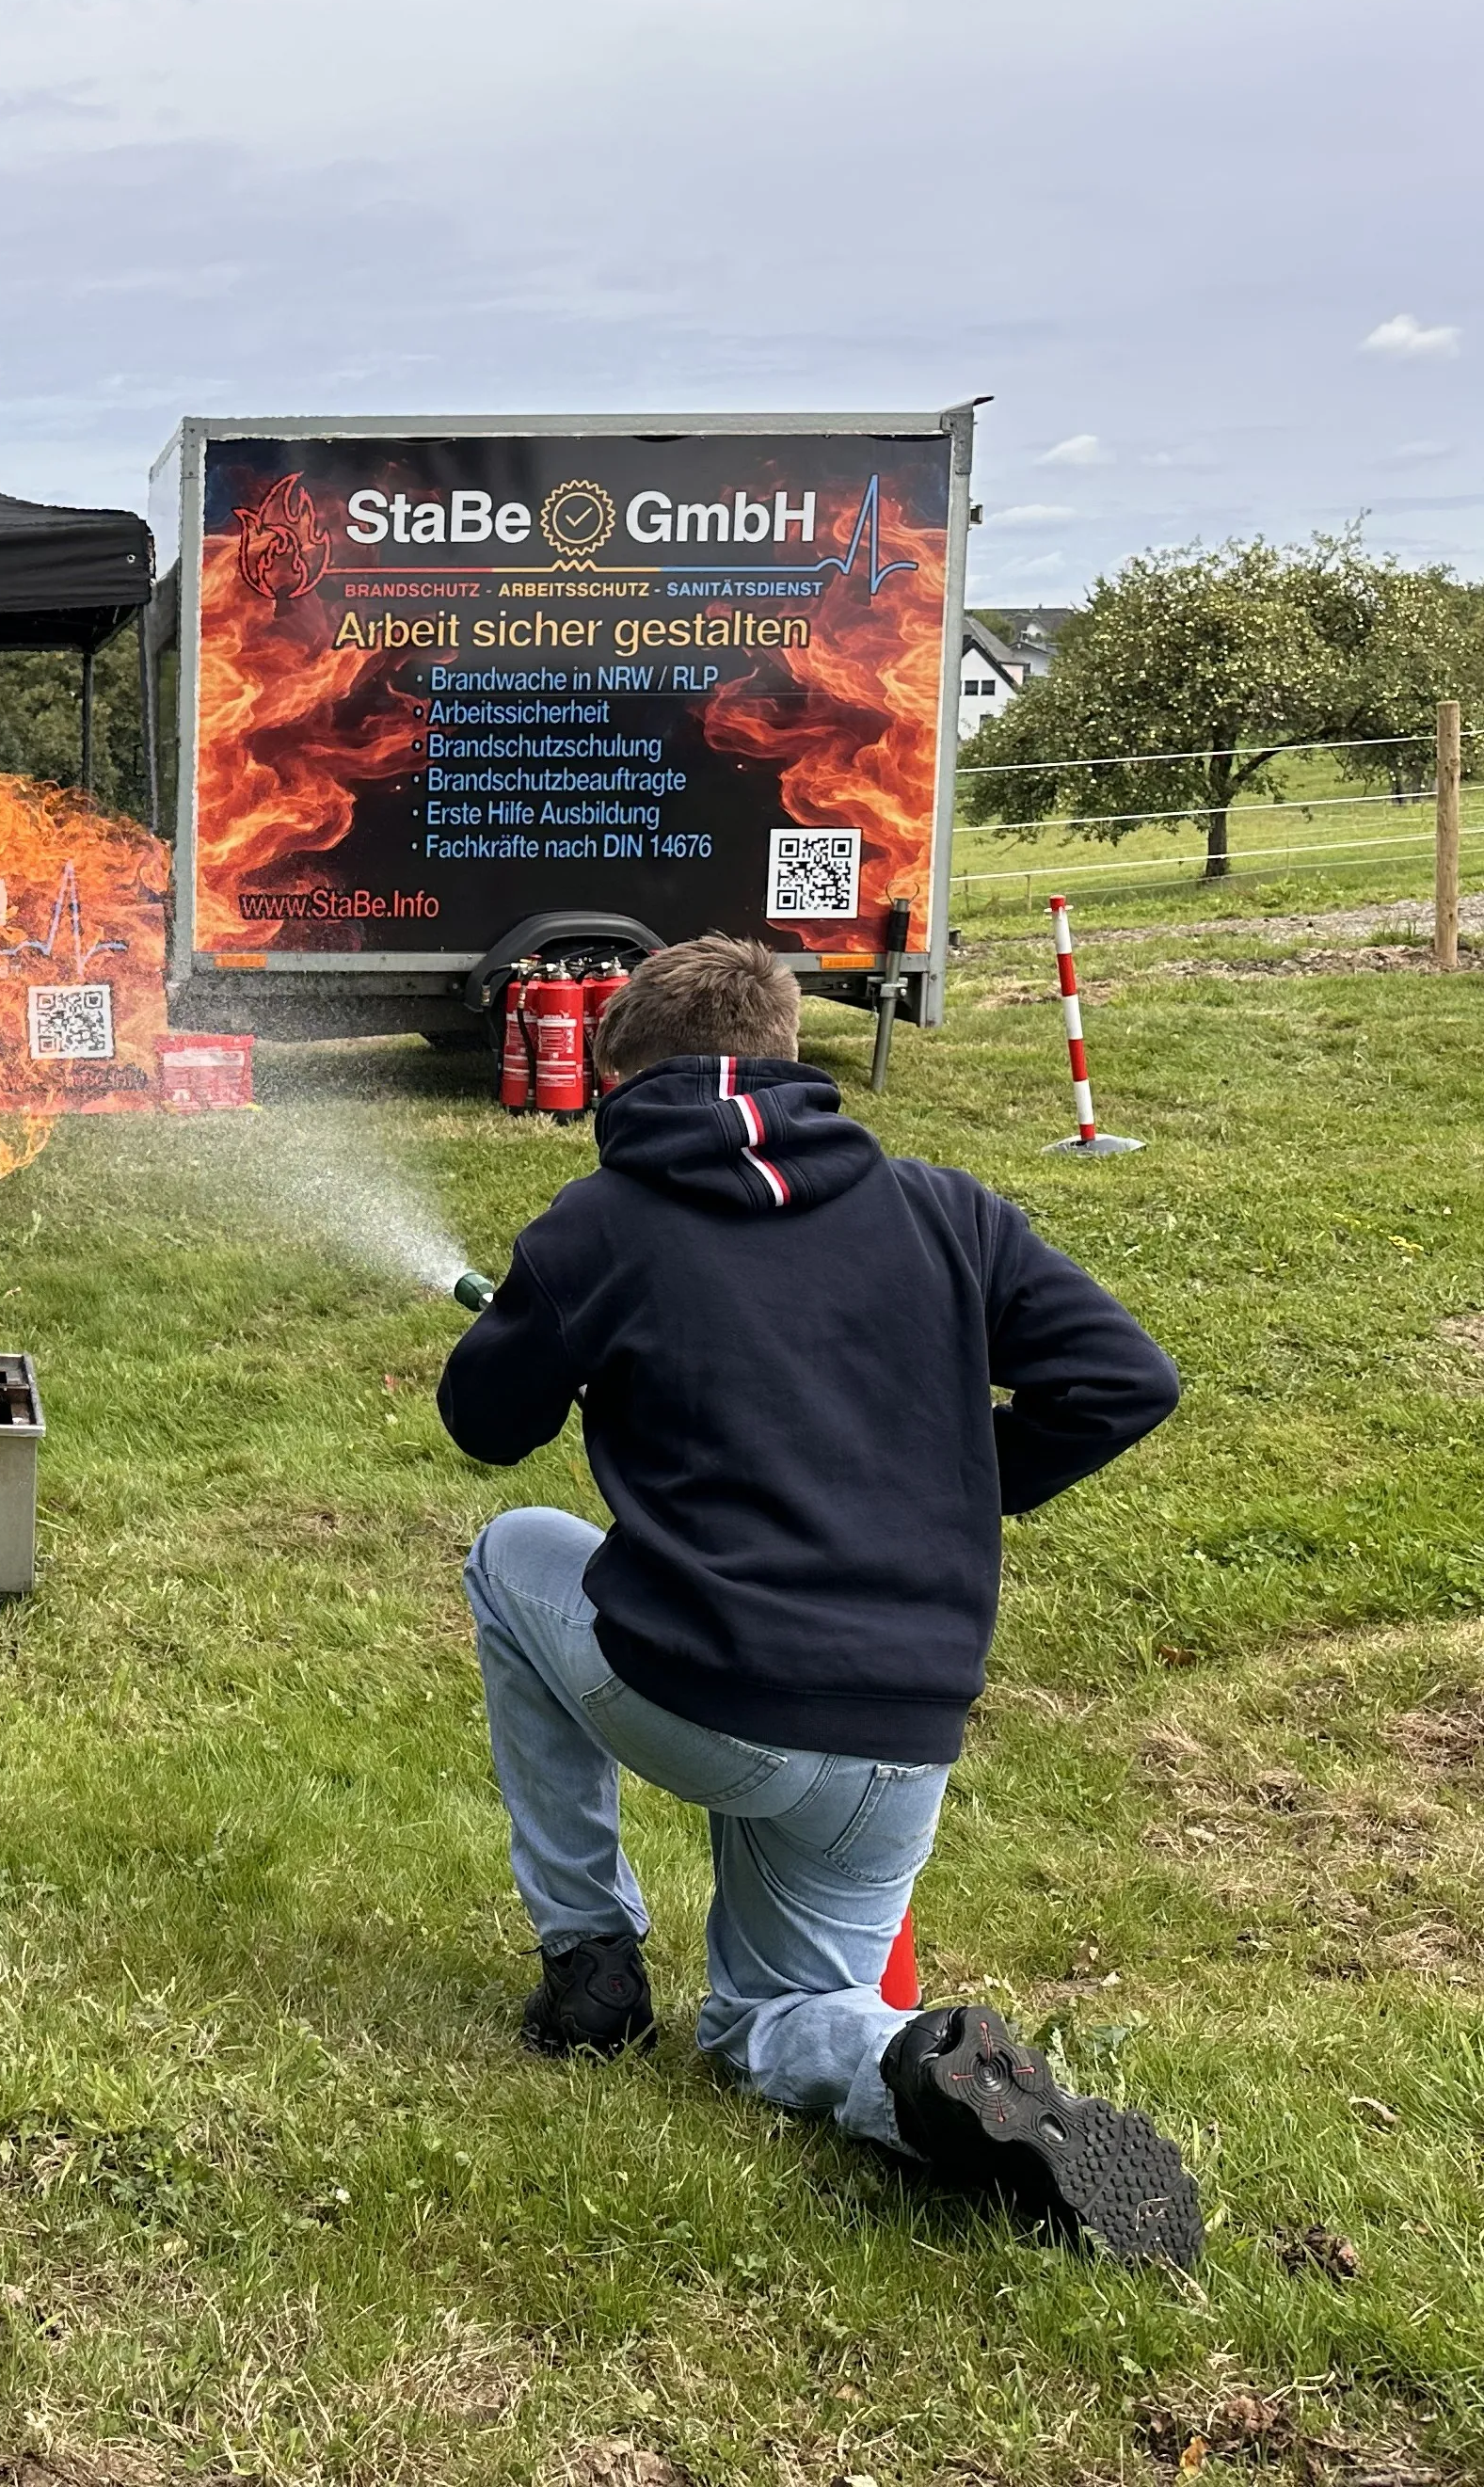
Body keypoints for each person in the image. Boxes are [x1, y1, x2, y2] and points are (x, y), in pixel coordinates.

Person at [438, 933, 1200, 2262]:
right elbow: (1130, 1380)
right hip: (899, 1730)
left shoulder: (600, 1226)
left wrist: (532, 1314)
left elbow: (486, 1427)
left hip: (705, 1695)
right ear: (791, 1053)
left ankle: (591, 1960)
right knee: (779, 2018)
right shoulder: (948, 1209)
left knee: (511, 1552)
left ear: (618, 1078)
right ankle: (921, 2071)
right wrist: (955, 1486)